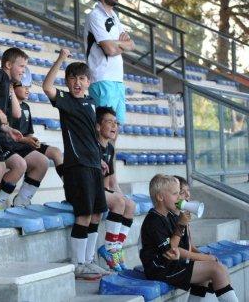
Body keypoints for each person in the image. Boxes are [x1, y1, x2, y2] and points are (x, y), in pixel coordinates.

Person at [43, 48, 110, 279]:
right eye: (72, 79)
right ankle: (77, 264)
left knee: (97, 214)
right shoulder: (66, 102)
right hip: (78, 167)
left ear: (89, 81)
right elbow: (47, 87)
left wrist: (99, 159)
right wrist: (61, 58)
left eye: (81, 78)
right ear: (67, 82)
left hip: (93, 165)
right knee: (84, 215)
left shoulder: (91, 102)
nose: (77, 83)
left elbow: (90, 135)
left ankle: (89, 260)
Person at [141, 175, 238, 301]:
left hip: (170, 266)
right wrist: (181, 225)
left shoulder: (168, 216)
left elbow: (180, 247)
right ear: (160, 197)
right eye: (175, 194)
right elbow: (171, 251)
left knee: (208, 274)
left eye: (179, 193)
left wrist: (183, 225)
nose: (179, 197)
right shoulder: (153, 221)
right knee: (217, 270)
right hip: (160, 269)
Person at [0, 48, 49, 211]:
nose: (23, 71)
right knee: (0, 167)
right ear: (9, 65)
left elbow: (12, 115)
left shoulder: (6, 82)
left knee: (4, 168)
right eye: (21, 66)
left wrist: (8, 129)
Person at [84, 0, 135, 126]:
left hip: (117, 79)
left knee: (115, 127)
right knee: (104, 126)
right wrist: (120, 45)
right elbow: (110, 50)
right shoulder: (95, 16)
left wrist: (115, 44)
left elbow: (132, 44)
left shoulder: (114, 16)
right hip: (102, 78)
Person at [94, 106, 136, 272]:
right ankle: (110, 249)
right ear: (98, 126)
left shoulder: (110, 148)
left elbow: (111, 181)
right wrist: (116, 199)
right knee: (119, 201)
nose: (114, 126)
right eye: (109, 122)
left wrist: (121, 197)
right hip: (91, 190)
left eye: (116, 123)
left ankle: (117, 248)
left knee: (130, 204)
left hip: (103, 190)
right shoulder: (92, 145)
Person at [10, 78, 64, 179]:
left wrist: (33, 140)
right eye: (24, 86)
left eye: (28, 86)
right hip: (14, 146)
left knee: (56, 152)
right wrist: (26, 140)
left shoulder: (26, 106)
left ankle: (68, 184)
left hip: (26, 143)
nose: (27, 89)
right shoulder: (7, 105)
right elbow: (7, 134)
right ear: (13, 88)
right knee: (41, 161)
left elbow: (29, 132)